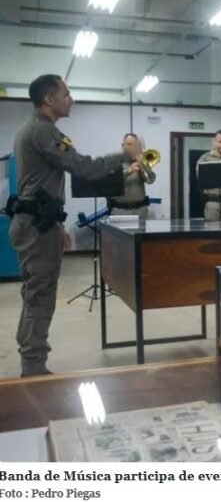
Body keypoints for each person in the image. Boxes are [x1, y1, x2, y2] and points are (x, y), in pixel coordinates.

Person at [6, 74, 129, 377]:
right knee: (40, 295)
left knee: (35, 293)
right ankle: (33, 367)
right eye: (66, 94)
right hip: (36, 225)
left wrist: (58, 227)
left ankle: (30, 356)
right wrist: (124, 156)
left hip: (38, 221)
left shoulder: (36, 129)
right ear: (49, 99)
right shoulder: (43, 131)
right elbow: (83, 167)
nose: (71, 99)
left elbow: (43, 187)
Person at [107, 133, 155, 220]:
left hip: (140, 210)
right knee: (120, 234)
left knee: (140, 233)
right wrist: (128, 171)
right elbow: (110, 181)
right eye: (129, 144)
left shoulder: (142, 161)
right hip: (120, 210)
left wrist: (142, 165)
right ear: (123, 146)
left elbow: (150, 180)